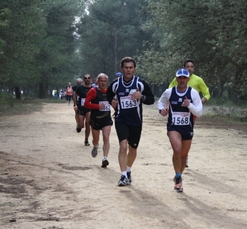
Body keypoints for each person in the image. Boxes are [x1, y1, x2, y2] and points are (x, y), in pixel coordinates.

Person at [107, 57, 155, 186]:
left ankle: (128, 170)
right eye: (126, 67)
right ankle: (123, 175)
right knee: (123, 146)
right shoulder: (116, 84)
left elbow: (151, 99)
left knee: (132, 149)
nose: (128, 70)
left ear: (134, 69)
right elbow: (108, 95)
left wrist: (142, 96)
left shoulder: (140, 83)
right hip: (121, 119)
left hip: (136, 121)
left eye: (131, 67)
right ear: (122, 69)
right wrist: (113, 104)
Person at [158, 68, 203, 192]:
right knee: (177, 149)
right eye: (179, 78)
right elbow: (160, 103)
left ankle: (179, 176)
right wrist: (162, 110)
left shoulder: (193, 93)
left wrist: (189, 105)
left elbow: (199, 112)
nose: (182, 80)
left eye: (184, 78)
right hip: (173, 126)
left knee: (183, 156)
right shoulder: (169, 92)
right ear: (176, 79)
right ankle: (178, 178)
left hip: (187, 128)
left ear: (188, 79)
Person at [168, 59, 210, 167]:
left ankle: (184, 156)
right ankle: (179, 153)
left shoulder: (198, 80)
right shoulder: (176, 79)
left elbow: (207, 93)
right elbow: (169, 91)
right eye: (187, 66)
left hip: (191, 111)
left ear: (194, 68)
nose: (189, 68)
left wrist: (200, 103)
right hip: (177, 111)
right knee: (178, 133)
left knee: (187, 132)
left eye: (191, 66)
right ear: (183, 67)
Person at [84, 73, 113, 168]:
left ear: (107, 82)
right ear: (97, 81)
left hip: (106, 119)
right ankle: (95, 146)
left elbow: (113, 103)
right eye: (101, 81)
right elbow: (86, 104)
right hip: (96, 118)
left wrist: (118, 111)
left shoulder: (109, 91)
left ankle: (105, 158)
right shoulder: (93, 91)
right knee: (95, 140)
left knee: (106, 137)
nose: (103, 83)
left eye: (105, 81)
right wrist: (97, 106)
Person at [74, 74, 92, 146]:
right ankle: (79, 126)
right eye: (85, 78)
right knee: (81, 125)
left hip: (89, 108)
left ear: (90, 79)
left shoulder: (93, 88)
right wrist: (75, 104)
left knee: (88, 123)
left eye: (88, 78)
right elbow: (75, 95)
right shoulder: (80, 88)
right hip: (81, 107)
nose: (87, 79)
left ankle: (86, 140)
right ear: (83, 79)